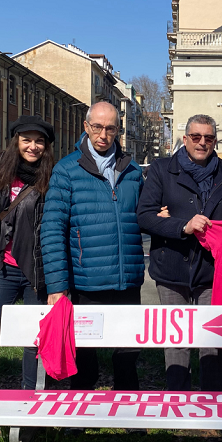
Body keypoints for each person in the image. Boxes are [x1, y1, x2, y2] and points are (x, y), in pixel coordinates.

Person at [41, 101, 144, 391]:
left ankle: (128, 407)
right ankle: (81, 410)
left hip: (127, 279)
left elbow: (144, 215)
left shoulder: (132, 170)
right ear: (86, 127)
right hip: (86, 281)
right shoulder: (67, 170)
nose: (103, 135)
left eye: (110, 128)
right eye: (97, 127)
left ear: (118, 130)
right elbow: (52, 229)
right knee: (85, 362)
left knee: (127, 357)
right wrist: (57, 286)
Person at [137, 114, 222, 391]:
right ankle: (177, 398)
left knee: (213, 339)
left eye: (208, 137)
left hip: (213, 272)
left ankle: (212, 399)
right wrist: (182, 226)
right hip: (171, 268)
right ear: (185, 139)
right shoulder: (161, 170)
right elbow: (144, 216)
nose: (202, 142)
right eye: (196, 137)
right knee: (176, 340)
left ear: (215, 141)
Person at [0, 116, 53, 409]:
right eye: (26, 140)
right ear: (15, 141)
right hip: (2, 270)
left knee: (33, 345)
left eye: (39, 141)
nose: (33, 146)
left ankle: (30, 407)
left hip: (36, 273)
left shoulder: (52, 177)